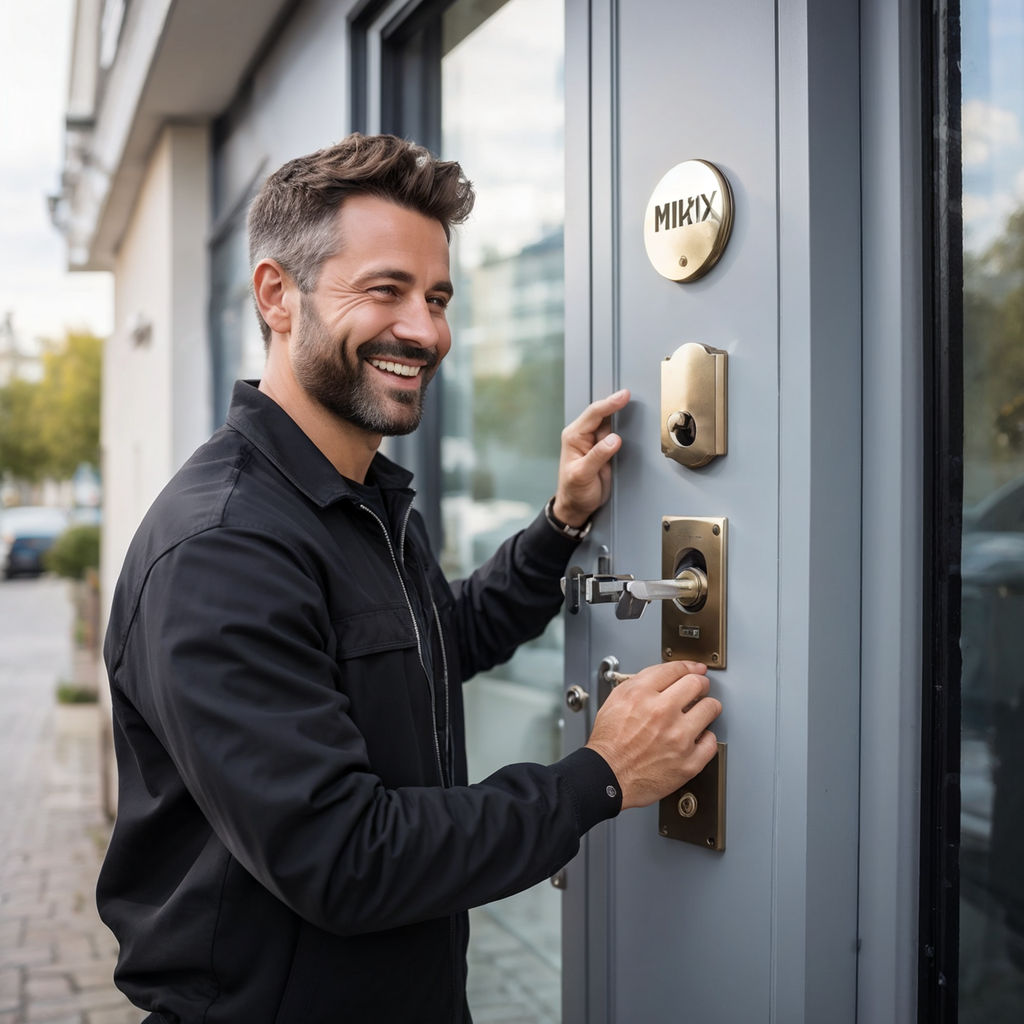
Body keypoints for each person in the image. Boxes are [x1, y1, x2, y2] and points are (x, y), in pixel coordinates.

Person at [97, 133, 722, 1023]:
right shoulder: (222, 548)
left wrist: (563, 522)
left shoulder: (363, 502)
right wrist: (603, 774)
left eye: (436, 297)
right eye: (385, 290)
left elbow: (442, 639)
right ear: (279, 295)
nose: (424, 331)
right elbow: (345, 856)